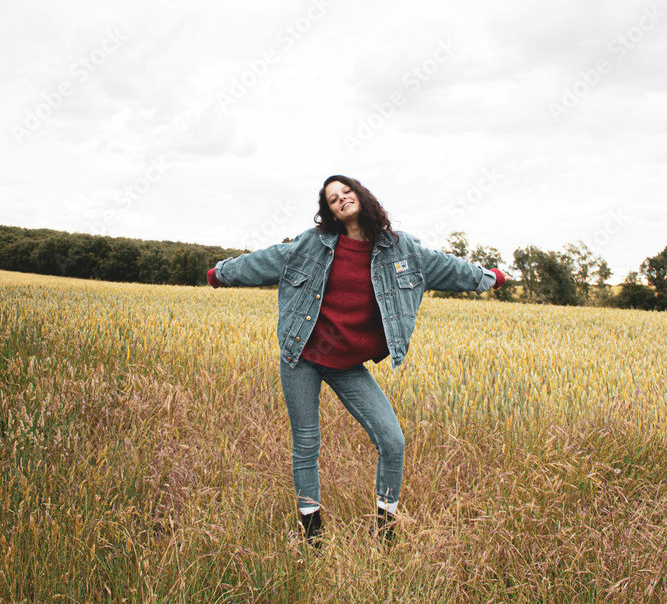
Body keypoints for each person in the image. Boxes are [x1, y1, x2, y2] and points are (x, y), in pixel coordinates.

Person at [206, 174, 508, 547]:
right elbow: (267, 259)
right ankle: (312, 532)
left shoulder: (401, 249)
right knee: (306, 443)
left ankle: (384, 528)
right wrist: (221, 273)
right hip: (302, 354)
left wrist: (488, 278)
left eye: (346, 192)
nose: (341, 200)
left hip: (347, 364)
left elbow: (447, 268)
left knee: (392, 440)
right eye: (333, 199)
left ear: (361, 196)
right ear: (329, 211)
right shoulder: (312, 244)